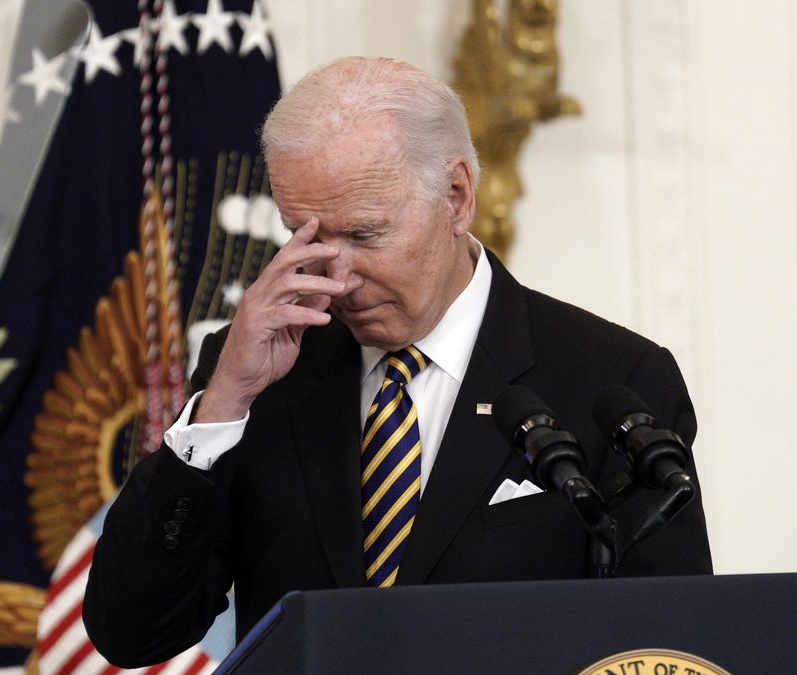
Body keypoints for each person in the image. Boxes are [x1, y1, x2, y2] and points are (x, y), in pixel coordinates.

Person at [83, 56, 712, 667]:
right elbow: (131, 631)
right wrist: (220, 408)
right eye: (306, 236)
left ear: (457, 196)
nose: (338, 276)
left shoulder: (613, 378)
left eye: (364, 235)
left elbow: (668, 648)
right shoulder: (258, 371)